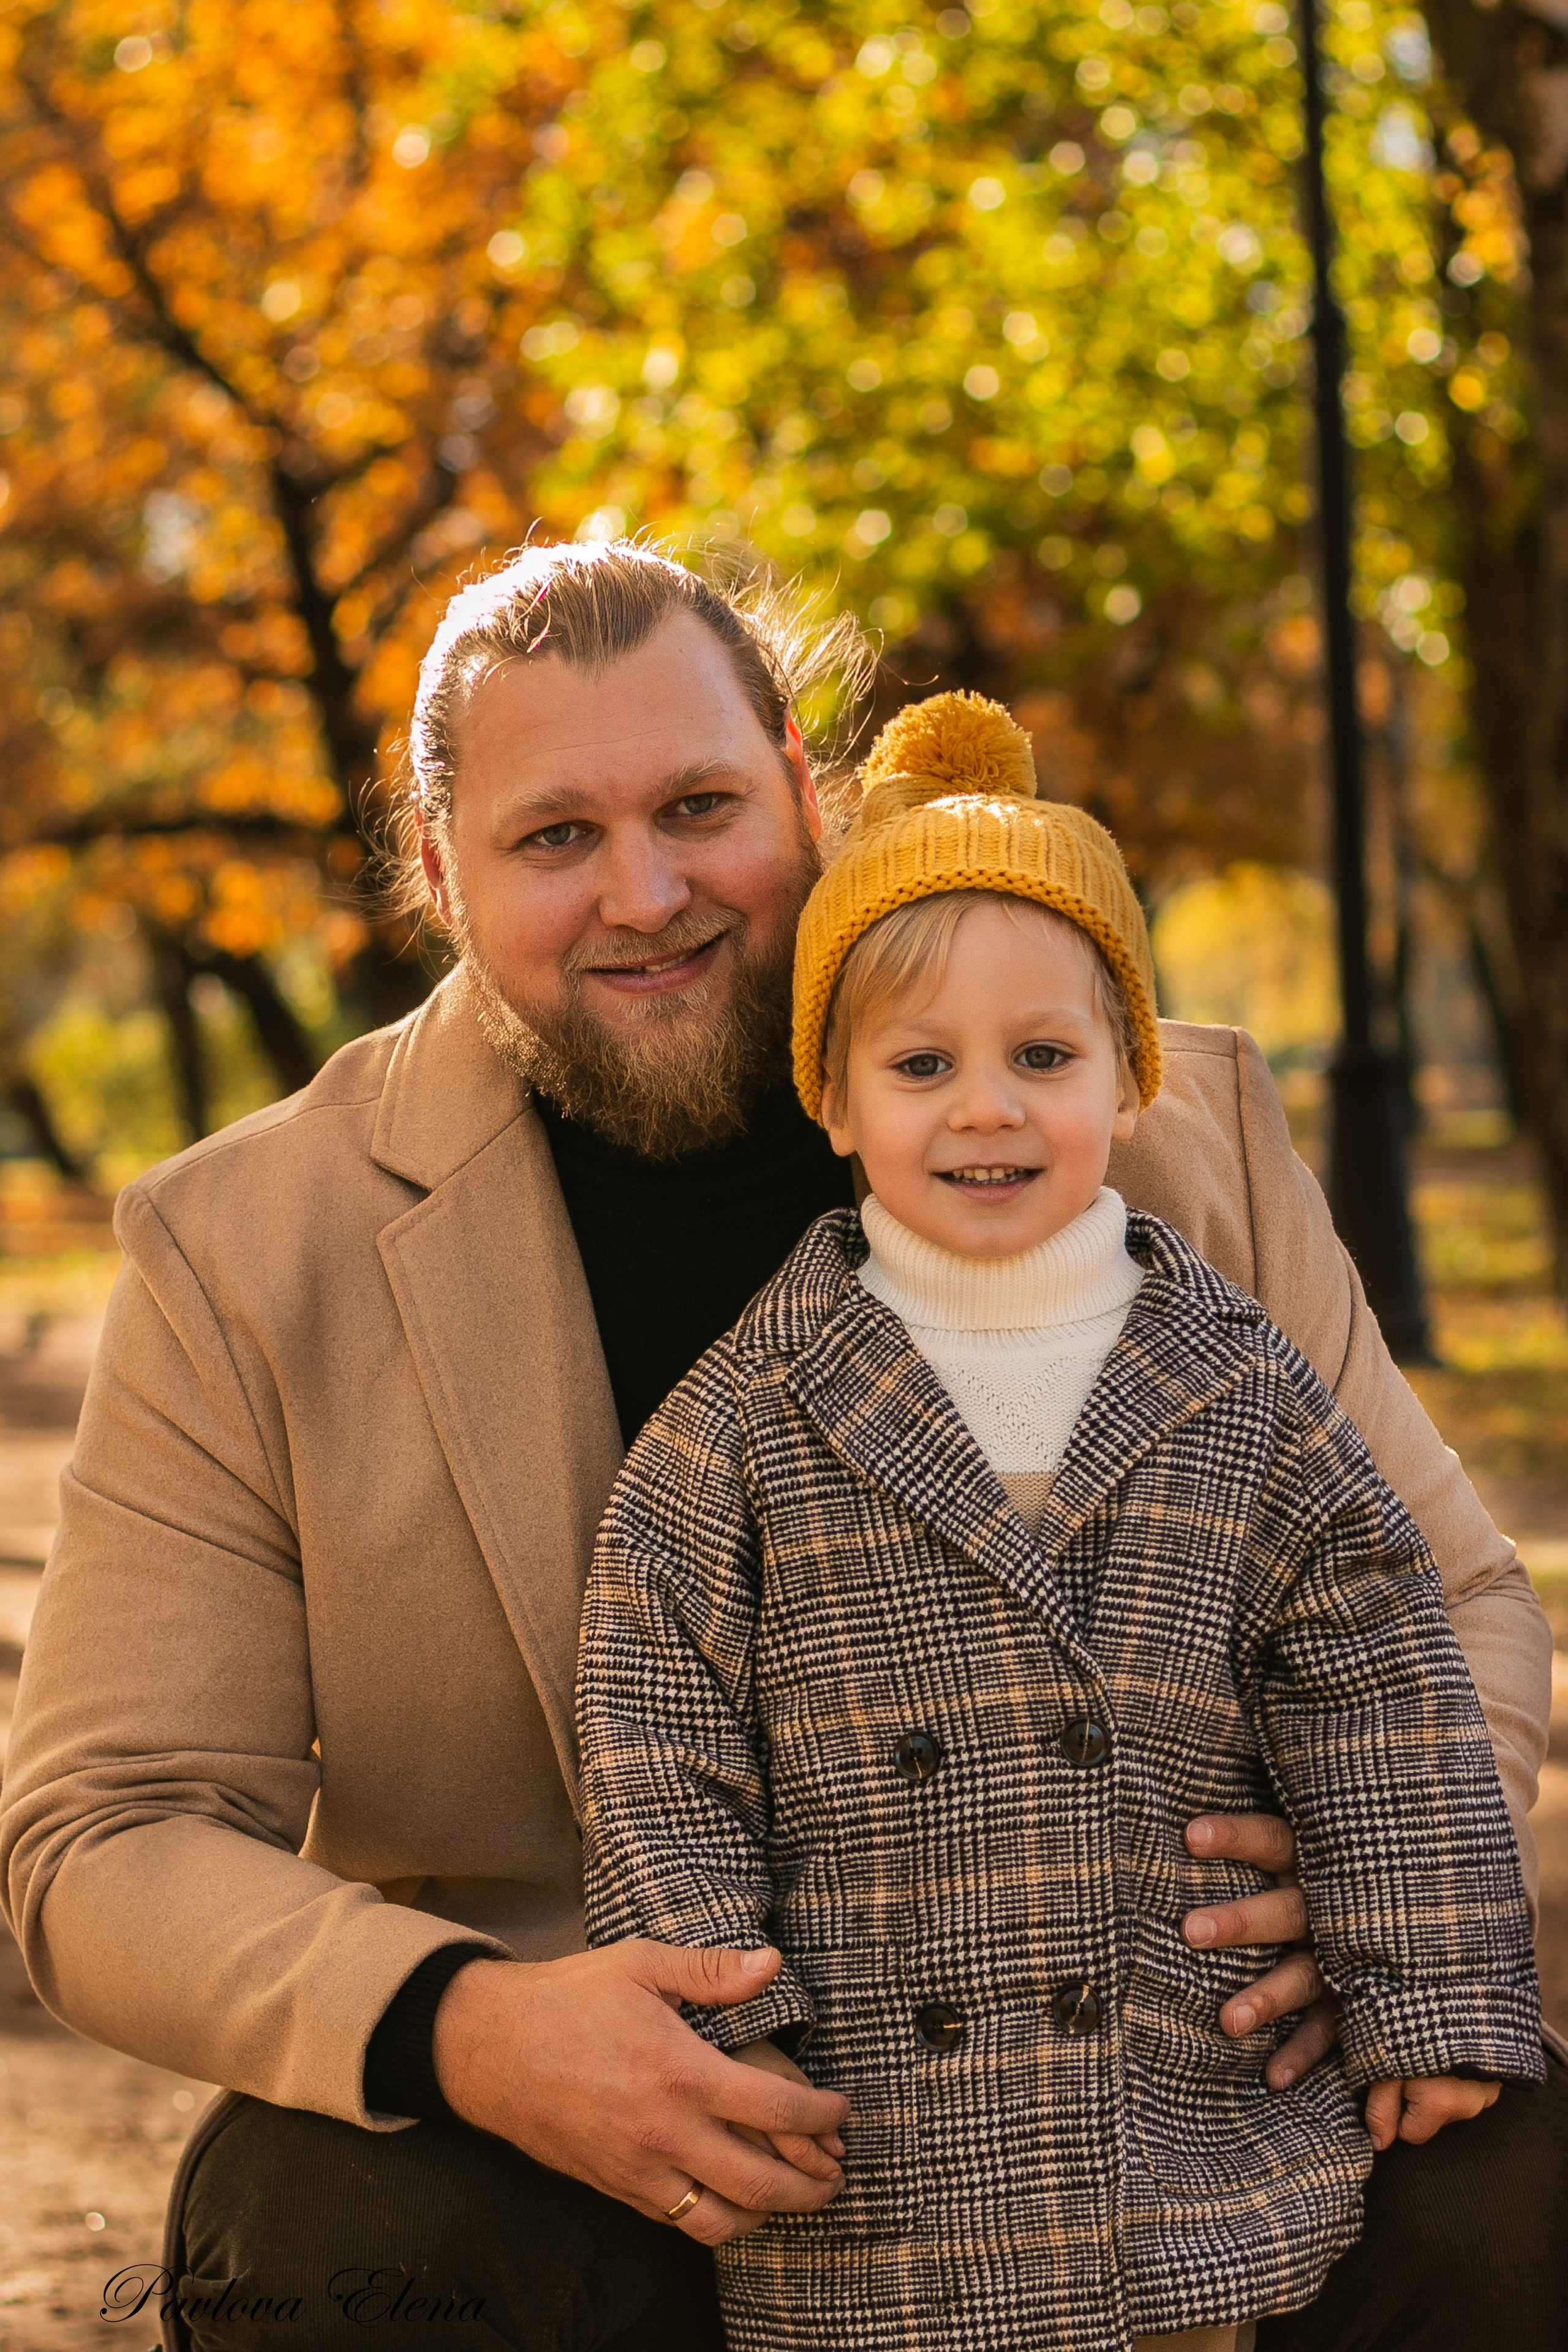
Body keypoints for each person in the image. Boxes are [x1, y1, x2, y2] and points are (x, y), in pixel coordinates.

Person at [0, 542, 1559, 2352]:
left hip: (1167, 2057)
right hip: (619, 2106)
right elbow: (105, 1834)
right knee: (325, 2229)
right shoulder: (246, 1250)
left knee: (1519, 2169)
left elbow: (1445, 1593)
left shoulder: (1166, 1126)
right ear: (440, 873)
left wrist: (1356, 1866)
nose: (646, 892)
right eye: (553, 837)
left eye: (699, 806)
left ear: (804, 793)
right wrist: (465, 2027)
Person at [576, 690, 1544, 2352]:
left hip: (1177, 2115)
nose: (987, 1109)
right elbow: (657, 1726)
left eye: (1045, 1057)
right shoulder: (746, 1414)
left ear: (1129, 1074)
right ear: (834, 1101)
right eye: (921, 1065)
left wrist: (1429, 1982)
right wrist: (723, 2025)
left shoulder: (1233, 1382)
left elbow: (1381, 1674)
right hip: (873, 2144)